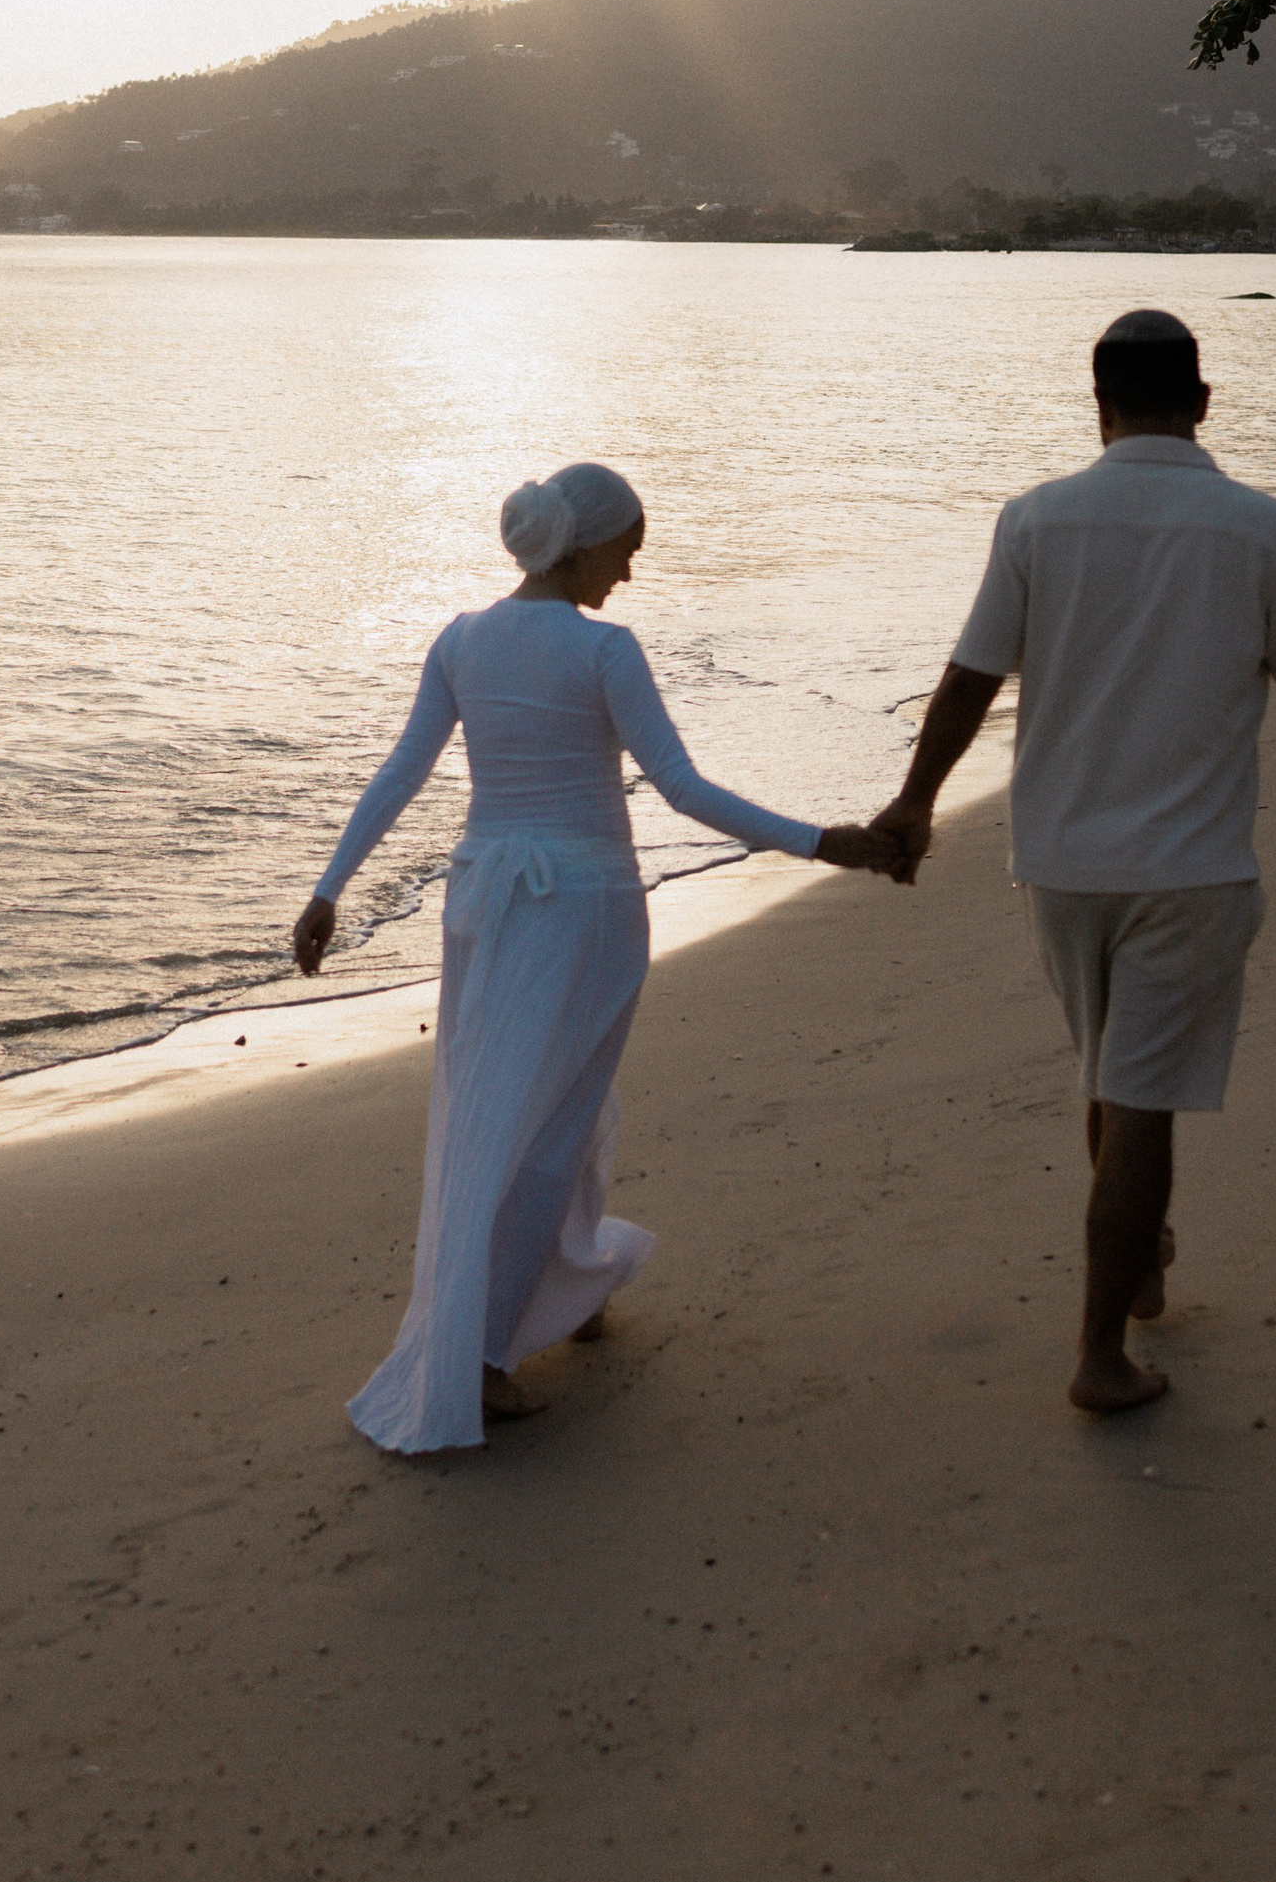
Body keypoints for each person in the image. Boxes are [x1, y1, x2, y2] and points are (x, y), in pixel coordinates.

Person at [293, 460, 896, 1452]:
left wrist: (329, 887)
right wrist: (817, 840)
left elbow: (403, 767)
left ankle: (562, 1285)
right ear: (582, 545)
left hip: (486, 898)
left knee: (517, 1100)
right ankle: (481, 1359)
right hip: (582, 903)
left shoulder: (462, 637)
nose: (628, 571)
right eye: (625, 550)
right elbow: (681, 787)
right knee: (550, 1114)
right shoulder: (603, 649)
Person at [870, 309, 1276, 1416]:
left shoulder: (1037, 519)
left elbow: (968, 676)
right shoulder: (1267, 528)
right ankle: (1099, 1353)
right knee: (1141, 1099)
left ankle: (1139, 1260)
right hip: (1187, 866)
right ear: (1201, 401)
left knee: (1110, 1072)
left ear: (1098, 406)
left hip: (1057, 861)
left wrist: (917, 799)